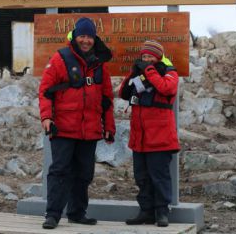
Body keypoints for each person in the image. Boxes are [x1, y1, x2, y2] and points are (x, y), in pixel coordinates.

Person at [38, 17, 115, 229]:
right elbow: (45, 91)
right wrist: (46, 117)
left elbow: (107, 99)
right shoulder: (60, 58)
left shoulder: (100, 65)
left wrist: (109, 127)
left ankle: (77, 213)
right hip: (63, 127)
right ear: (75, 36)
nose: (86, 40)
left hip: (89, 130)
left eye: (89, 36)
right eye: (82, 35)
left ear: (94, 38)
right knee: (60, 171)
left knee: (84, 173)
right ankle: (52, 214)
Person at [119, 40, 180, 227]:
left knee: (159, 177)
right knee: (142, 177)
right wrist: (134, 73)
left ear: (158, 57)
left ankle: (162, 212)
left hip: (160, 137)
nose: (146, 60)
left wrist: (148, 71)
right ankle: (146, 212)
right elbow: (123, 93)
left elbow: (166, 88)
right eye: (144, 57)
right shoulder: (141, 74)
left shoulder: (170, 74)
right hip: (140, 137)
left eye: (150, 57)